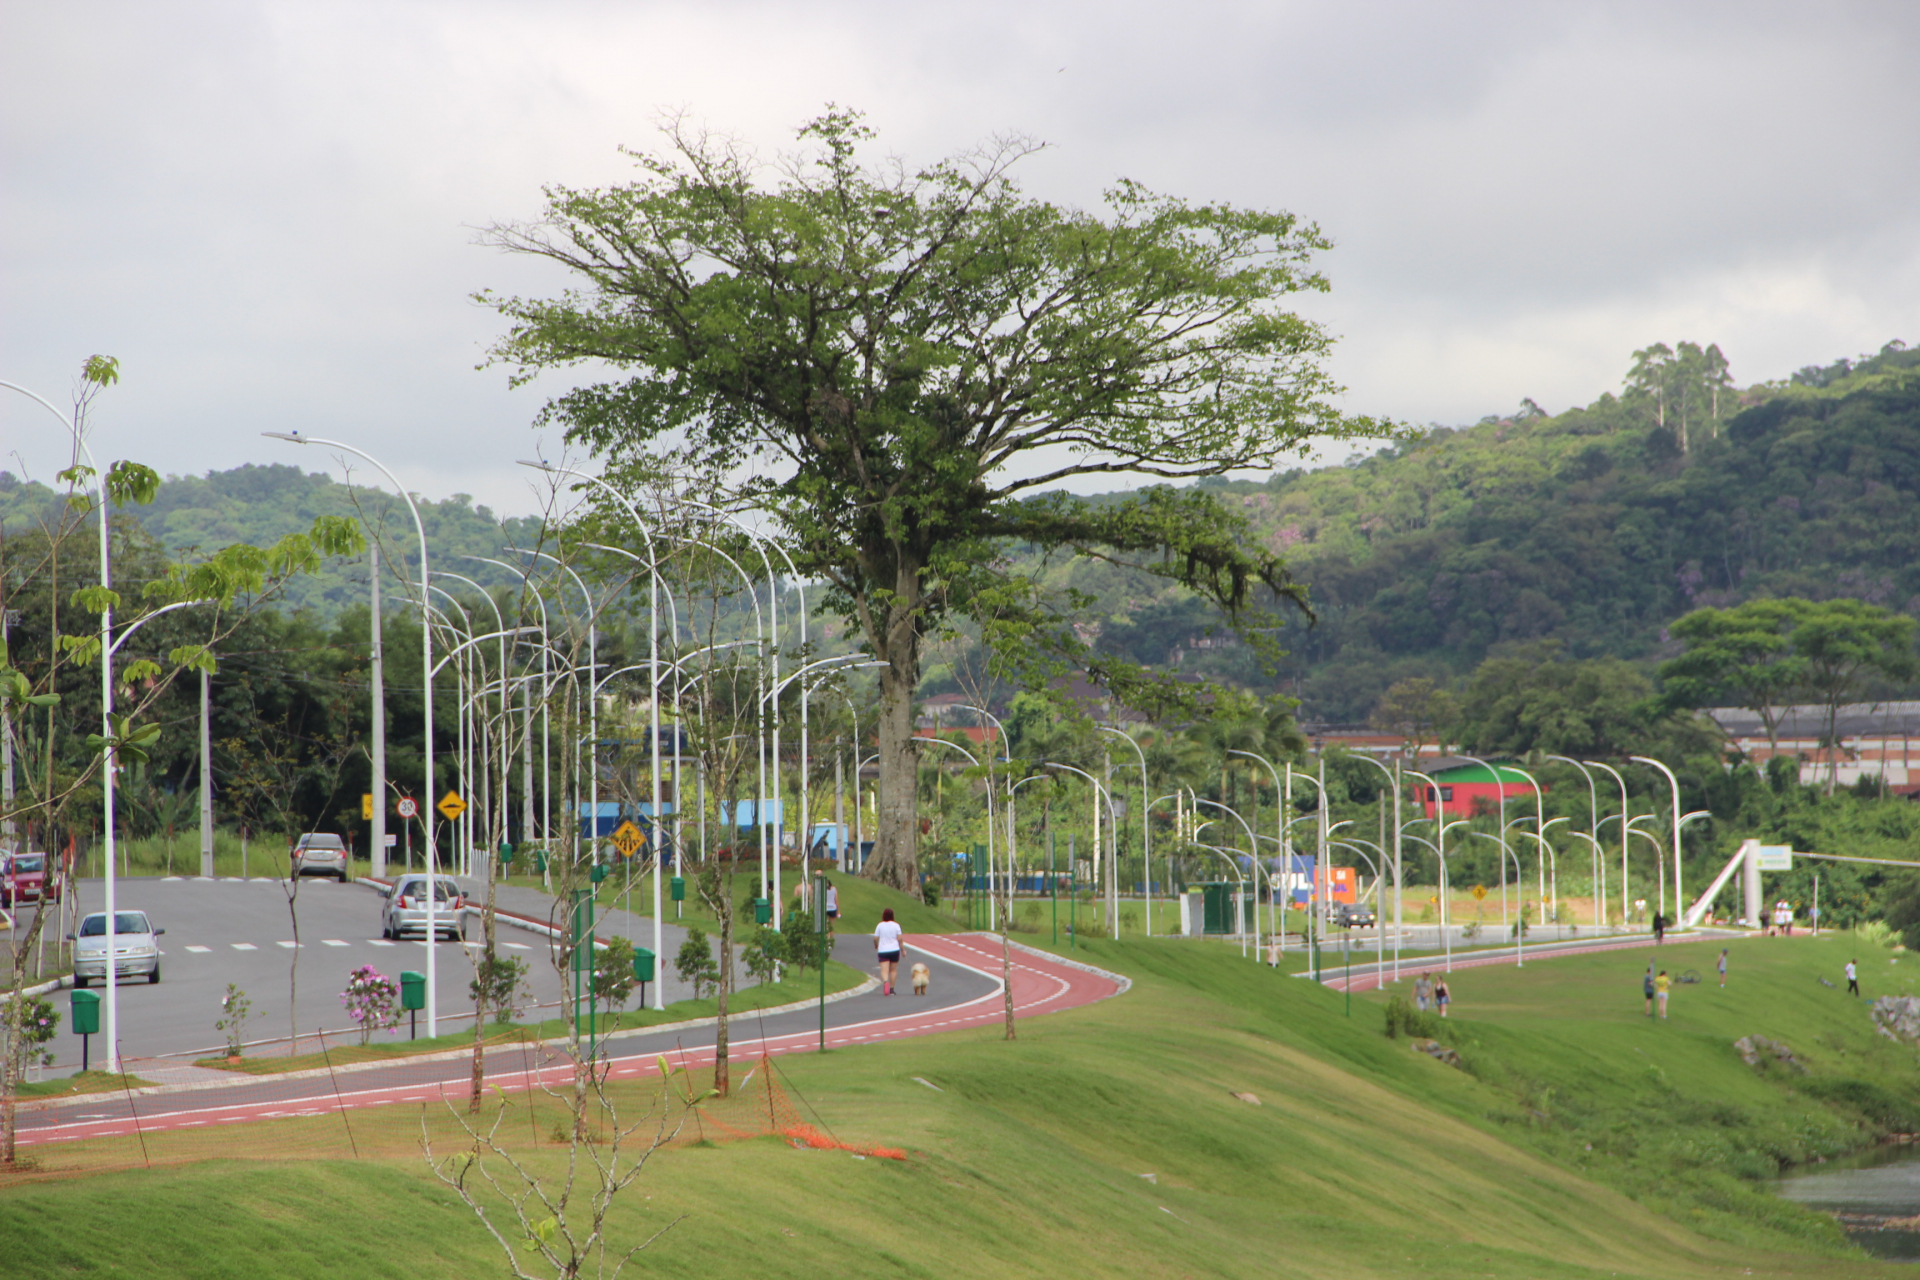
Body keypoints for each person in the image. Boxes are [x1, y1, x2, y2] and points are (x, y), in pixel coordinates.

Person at [875, 907, 903, 996]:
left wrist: (876, 945)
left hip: (883, 950)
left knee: (884, 970)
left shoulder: (880, 925)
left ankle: (886, 982)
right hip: (894, 949)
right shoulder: (896, 925)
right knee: (893, 970)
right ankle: (891, 989)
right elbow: (900, 939)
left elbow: (875, 938)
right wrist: (903, 950)